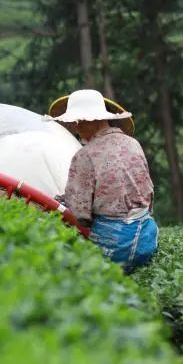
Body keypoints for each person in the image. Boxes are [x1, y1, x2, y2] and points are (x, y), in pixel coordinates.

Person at [51, 89, 157, 273]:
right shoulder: (133, 144)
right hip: (147, 238)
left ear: (90, 121)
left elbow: (80, 214)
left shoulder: (85, 155)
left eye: (78, 122)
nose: (76, 128)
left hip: (116, 245)